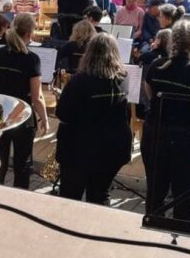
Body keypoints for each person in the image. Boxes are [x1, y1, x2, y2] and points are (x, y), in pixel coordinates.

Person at [143, 21, 190, 220]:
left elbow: (151, 95)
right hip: (186, 142)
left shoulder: (156, 65)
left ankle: (150, 232)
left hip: (155, 135)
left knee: (154, 193)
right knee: (183, 197)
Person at [55, 34, 132, 204]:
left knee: (70, 196)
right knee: (100, 194)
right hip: (113, 147)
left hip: (81, 149)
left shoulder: (79, 81)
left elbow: (63, 114)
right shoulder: (123, 78)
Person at [0, 14, 49, 188]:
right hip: (23, 116)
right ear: (29, 34)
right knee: (23, 164)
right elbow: (37, 97)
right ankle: (19, 199)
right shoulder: (31, 59)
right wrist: (44, 118)